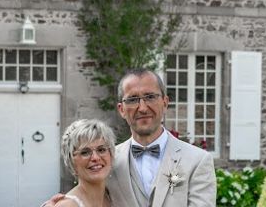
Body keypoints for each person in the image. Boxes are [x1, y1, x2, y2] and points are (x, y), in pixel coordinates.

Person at [44, 68, 216, 206]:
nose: (142, 108)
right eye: (133, 99)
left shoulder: (197, 161)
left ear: (165, 103)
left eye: (150, 97)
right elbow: (87, 192)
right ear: (121, 109)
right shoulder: (109, 160)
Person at [57, 118, 116, 207]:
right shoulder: (67, 205)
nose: (95, 158)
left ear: (111, 155)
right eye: (85, 152)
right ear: (72, 162)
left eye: (101, 150)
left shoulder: (115, 197)